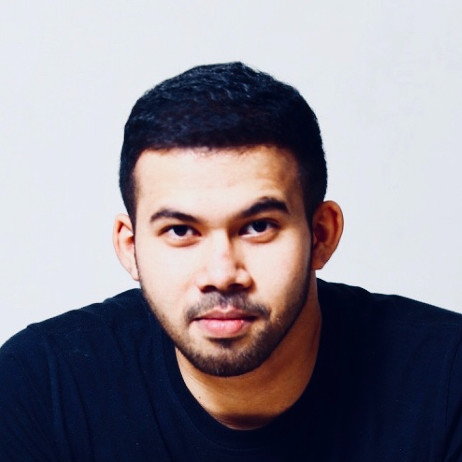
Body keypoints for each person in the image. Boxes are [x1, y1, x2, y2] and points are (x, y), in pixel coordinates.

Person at [1, 62, 461, 462]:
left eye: (258, 227)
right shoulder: (40, 388)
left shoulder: (447, 380)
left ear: (321, 234)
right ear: (130, 247)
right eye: (181, 231)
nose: (222, 274)